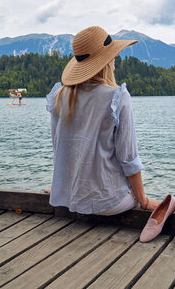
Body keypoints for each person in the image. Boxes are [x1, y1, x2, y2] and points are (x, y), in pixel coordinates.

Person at [46, 26, 160, 215]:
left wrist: (62, 191)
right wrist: (144, 201)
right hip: (109, 204)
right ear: (107, 61)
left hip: (71, 200)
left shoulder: (59, 96)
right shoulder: (117, 96)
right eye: (113, 55)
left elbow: (60, 149)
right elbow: (128, 158)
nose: (115, 59)